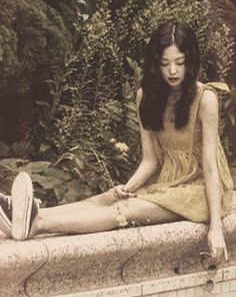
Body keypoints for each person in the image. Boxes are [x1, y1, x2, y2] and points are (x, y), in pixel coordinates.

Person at [0, 21, 233, 261]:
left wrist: (215, 228)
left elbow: (211, 166)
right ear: (155, 65)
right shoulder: (147, 96)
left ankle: (37, 224)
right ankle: (29, 212)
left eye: (180, 63)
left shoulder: (205, 99)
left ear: (191, 62)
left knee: (123, 212)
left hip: (199, 190)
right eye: (165, 64)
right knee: (108, 199)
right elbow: (150, 161)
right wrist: (126, 188)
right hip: (170, 183)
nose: (172, 70)